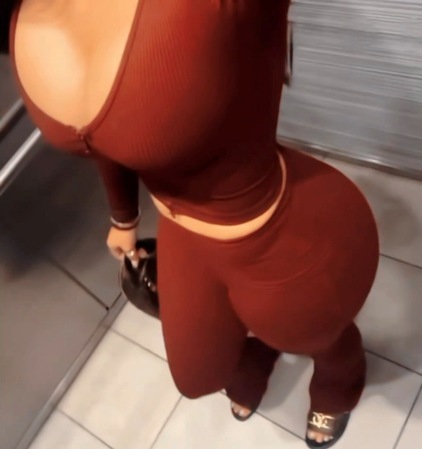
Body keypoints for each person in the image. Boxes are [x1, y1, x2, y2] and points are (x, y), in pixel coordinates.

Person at [1, 1, 379, 447]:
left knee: (315, 334)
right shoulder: (22, 11)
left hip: (269, 228)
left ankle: (339, 381)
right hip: (182, 230)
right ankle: (256, 352)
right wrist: (124, 214)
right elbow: (103, 132)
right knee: (198, 375)